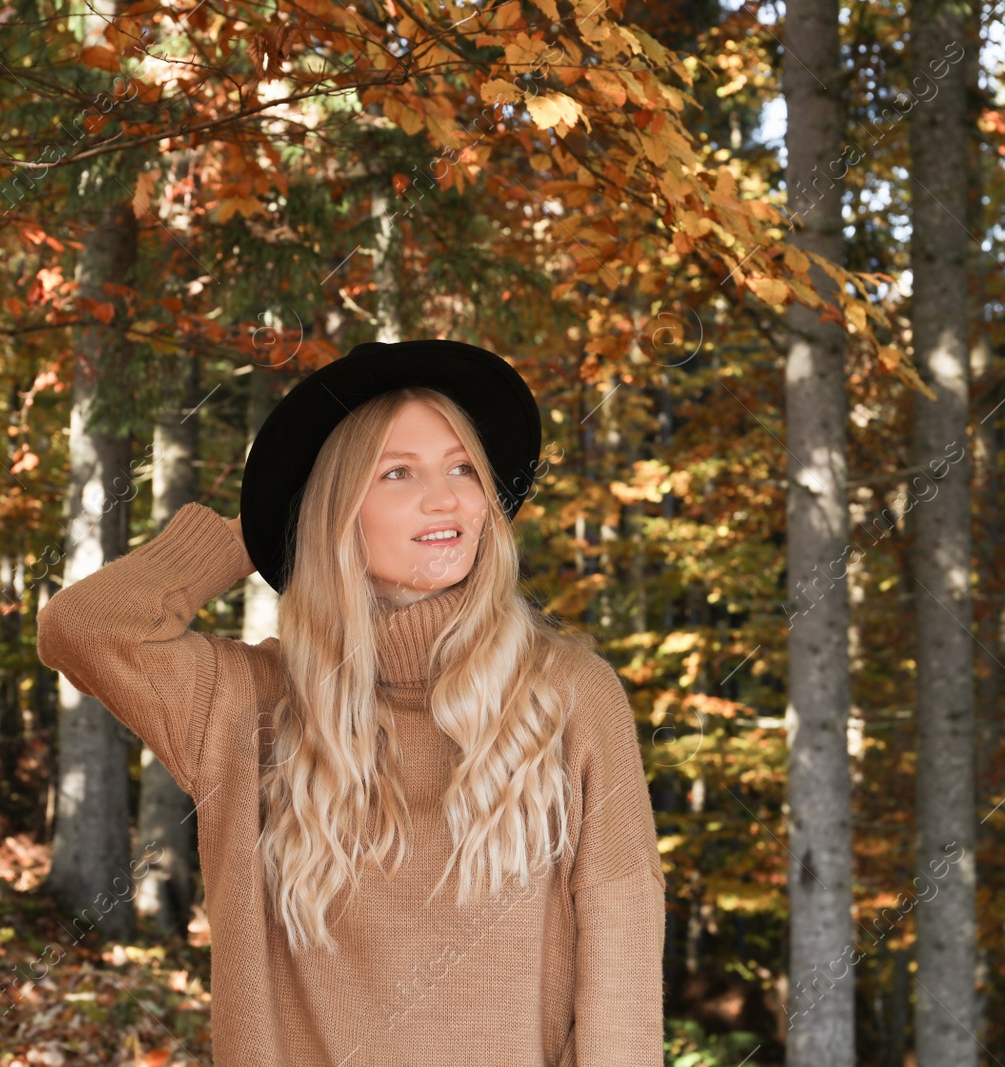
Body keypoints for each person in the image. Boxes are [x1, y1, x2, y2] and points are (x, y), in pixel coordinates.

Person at [36, 338, 665, 1066]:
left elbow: (621, 950)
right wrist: (262, 525)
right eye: (398, 472)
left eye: (464, 467)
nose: (447, 496)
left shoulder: (570, 695)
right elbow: (85, 626)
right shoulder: (251, 707)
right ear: (335, 508)